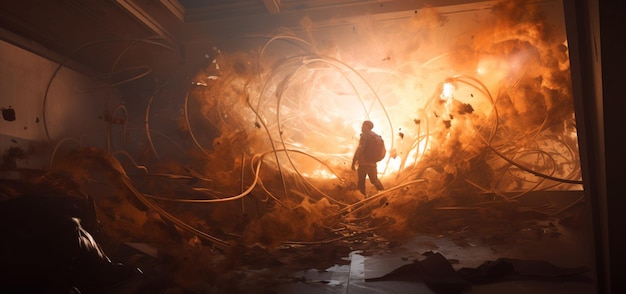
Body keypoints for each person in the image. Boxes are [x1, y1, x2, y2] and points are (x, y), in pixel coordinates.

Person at [351, 120, 385, 196]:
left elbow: (360, 148)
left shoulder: (365, 135)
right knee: (375, 180)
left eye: (363, 125)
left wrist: (354, 161)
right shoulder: (376, 136)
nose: (361, 127)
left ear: (367, 127)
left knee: (361, 182)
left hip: (363, 164)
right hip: (372, 163)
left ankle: (362, 199)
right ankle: (384, 194)